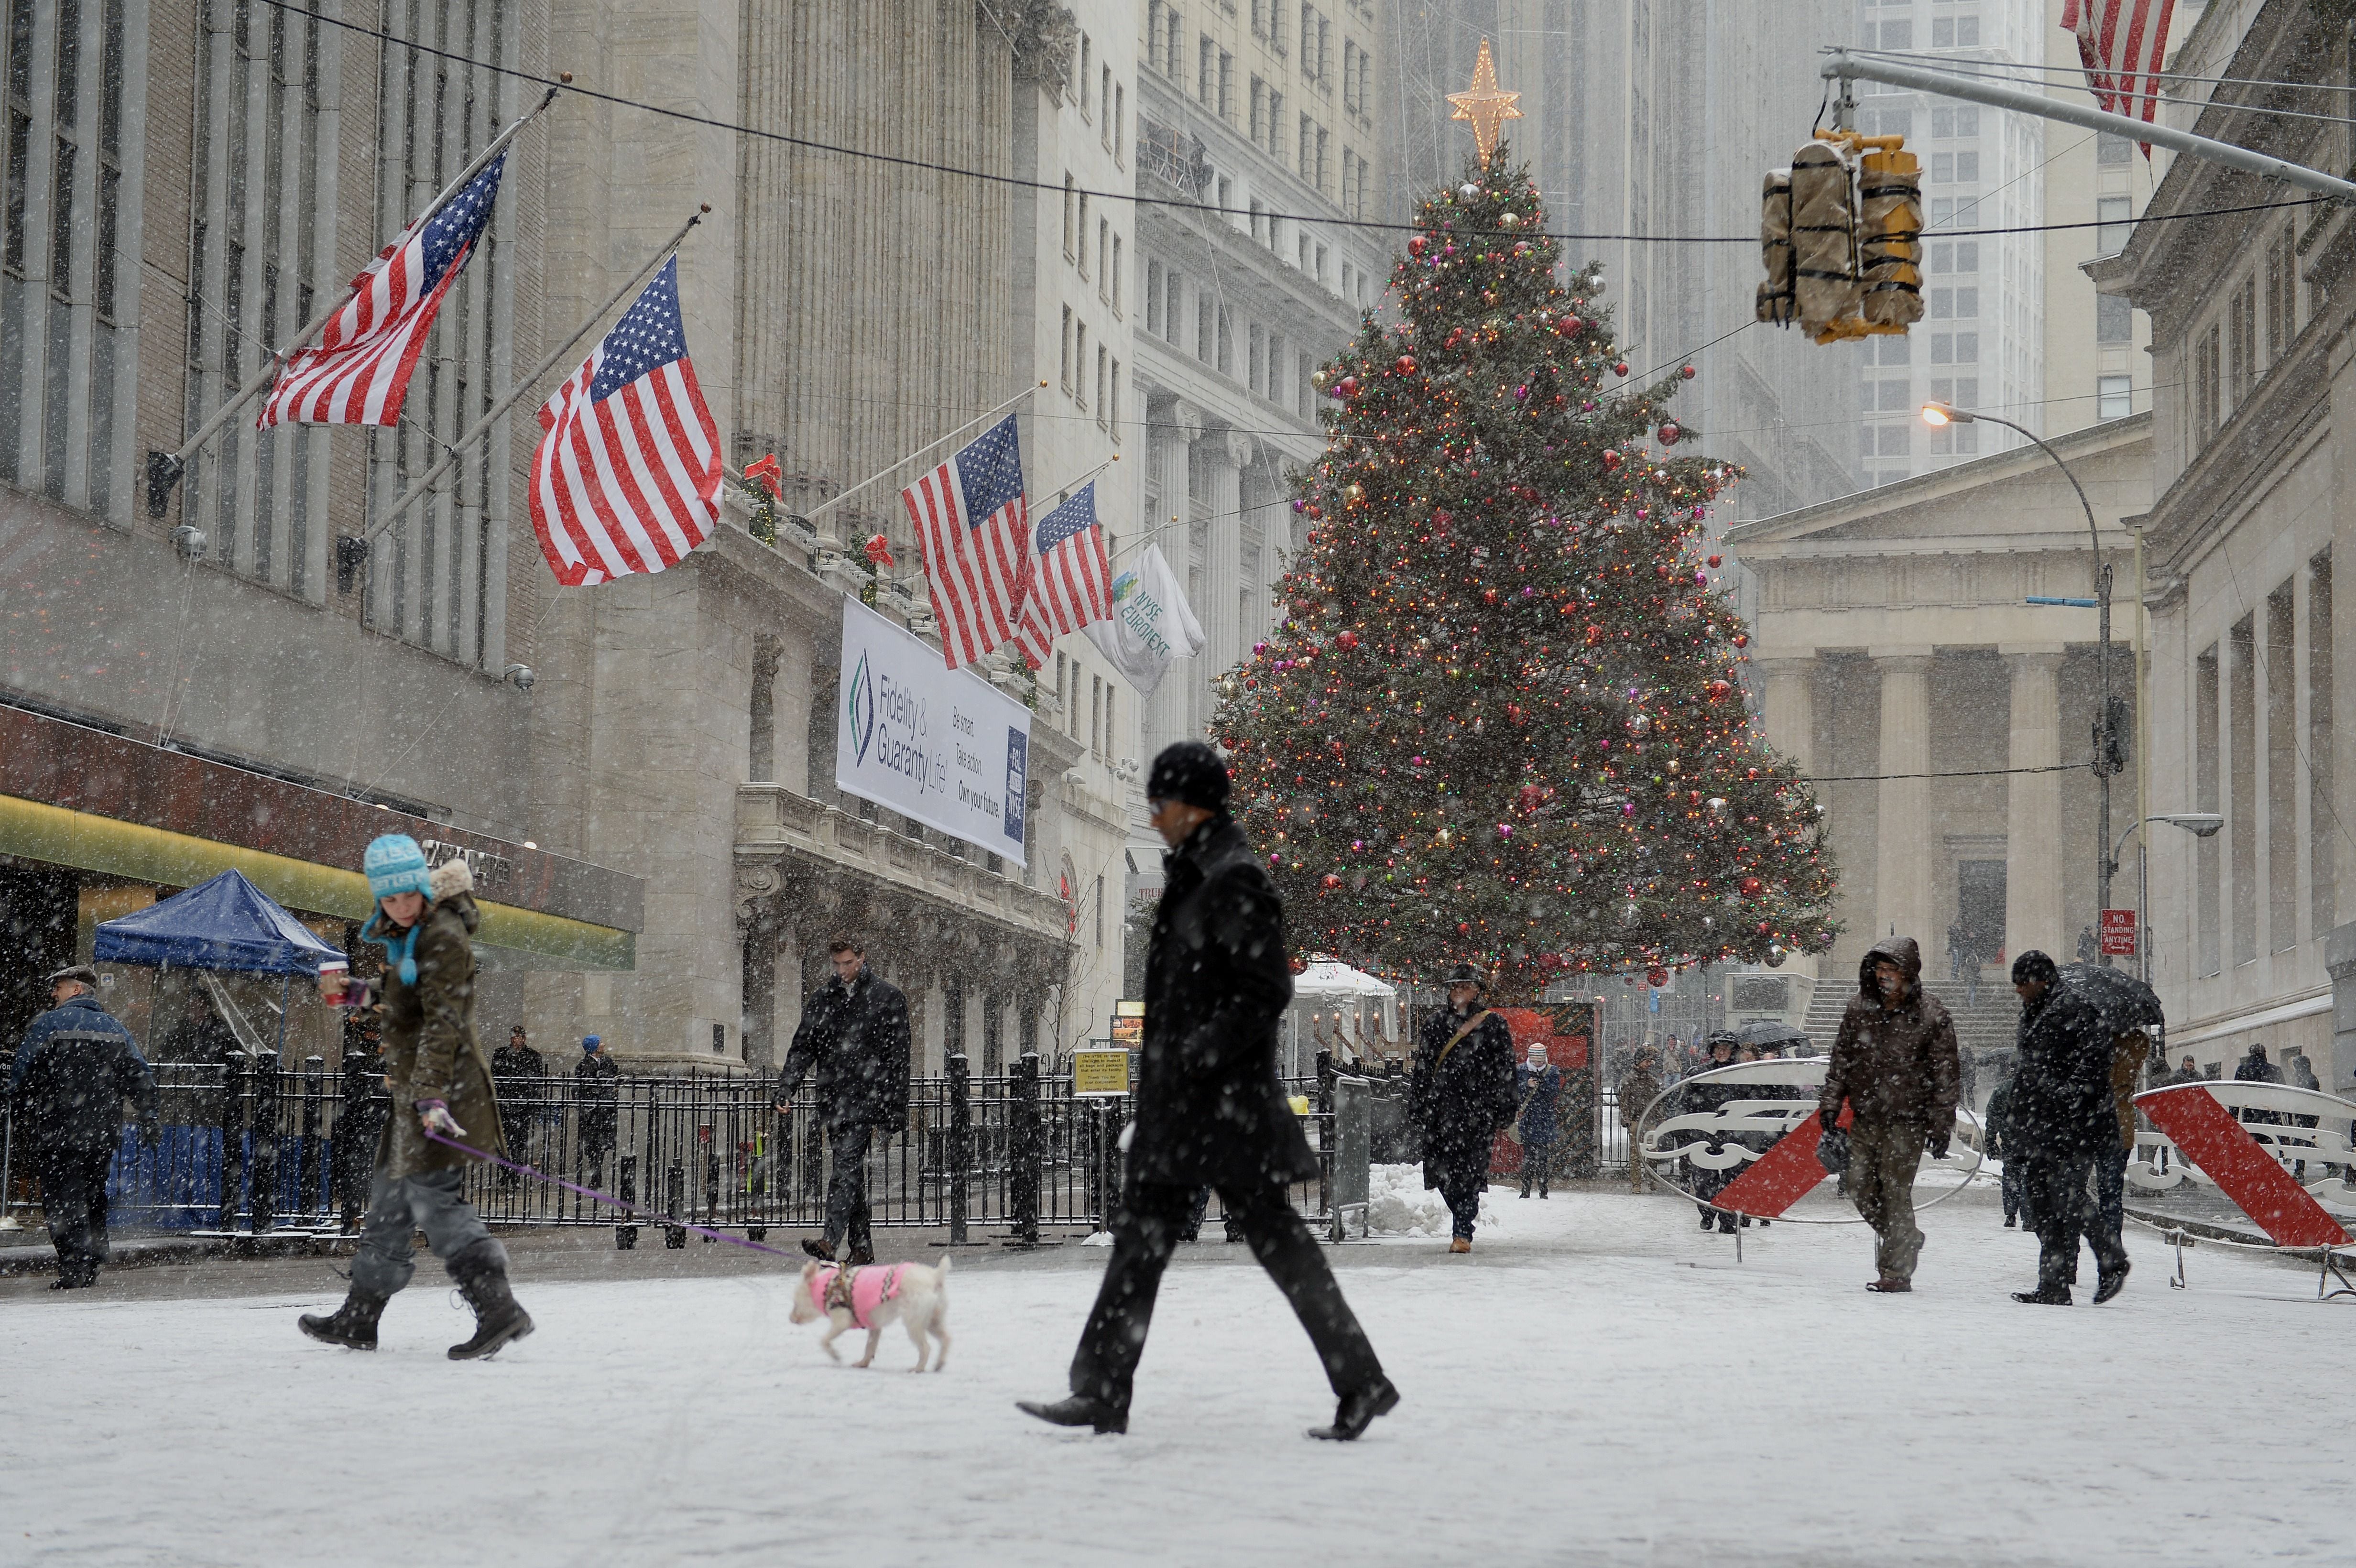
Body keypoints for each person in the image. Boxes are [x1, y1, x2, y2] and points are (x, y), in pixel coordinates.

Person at [1019, 742, 1396, 1442]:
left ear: (1193, 807)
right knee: (1142, 1244)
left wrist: (1198, 1053)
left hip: (1223, 1109)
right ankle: (1101, 1389)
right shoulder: (1198, 874)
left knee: (1274, 1243)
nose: (1154, 817)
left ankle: (1361, 1381)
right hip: (1187, 1106)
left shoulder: (1232, 877)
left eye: (1161, 804)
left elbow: (1266, 989)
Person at [301, 836, 534, 1356]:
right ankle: (360, 1316)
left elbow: (441, 1024)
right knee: (389, 1203)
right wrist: (356, 993)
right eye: (389, 899)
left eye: (408, 895)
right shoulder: (413, 937)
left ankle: (498, 1308)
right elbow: (405, 999)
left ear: (423, 889)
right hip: (417, 1096)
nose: (400, 906)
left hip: (444, 1093)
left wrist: (430, 1096)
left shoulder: (442, 937)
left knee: (435, 1201)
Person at [1820, 936, 1961, 1294]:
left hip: (1907, 1118)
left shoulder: (1932, 1015)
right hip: (1867, 1114)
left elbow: (1945, 1074)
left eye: (1891, 970)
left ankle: (1896, 1272)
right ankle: (1906, 1238)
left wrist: (1941, 1124)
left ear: (1908, 973)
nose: (1884, 976)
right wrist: (1831, 1104)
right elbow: (1841, 1059)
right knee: (1858, 1186)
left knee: (1896, 1192)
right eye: (1879, 969)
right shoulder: (1859, 1008)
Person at [8, 966, 156, 1289]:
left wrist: (20, 1114)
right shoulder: (114, 1028)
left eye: (59, 987)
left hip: (59, 1130)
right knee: (93, 1194)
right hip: (102, 1132)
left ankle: (75, 1265)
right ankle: (94, 1258)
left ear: (76, 990)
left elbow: (23, 1073)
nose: (53, 993)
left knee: (64, 1198)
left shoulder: (50, 1025)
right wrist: (149, 1115)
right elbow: (138, 1074)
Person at [774, 937, 911, 1266]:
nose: (842, 970)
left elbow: (899, 1059)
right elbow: (803, 1046)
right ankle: (862, 1248)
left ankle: (829, 1241)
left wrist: (896, 1107)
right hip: (833, 1100)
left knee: (845, 1169)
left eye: (848, 963)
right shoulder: (823, 998)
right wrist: (787, 1087)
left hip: (867, 1100)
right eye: (837, 964)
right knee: (850, 1174)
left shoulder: (887, 997)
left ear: (862, 958)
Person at [2006, 952, 2129, 1307]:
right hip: (2043, 1124)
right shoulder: (2035, 1012)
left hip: (2074, 1124)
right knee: (2042, 1202)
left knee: (2065, 1195)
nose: (2018, 990)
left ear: (2041, 980)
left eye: (2022, 983)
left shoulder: (2075, 1009)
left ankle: (2112, 1258)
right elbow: (2030, 1070)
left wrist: (2067, 1093)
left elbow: (2096, 1059)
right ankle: (2054, 1284)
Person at [1410, 964, 1517, 1250]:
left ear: (1477, 990)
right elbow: (1423, 1067)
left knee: (1472, 1172)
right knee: (1441, 1173)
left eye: (1465, 986)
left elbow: (1506, 1069)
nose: (1458, 991)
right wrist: (1418, 1102)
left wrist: (1506, 1106)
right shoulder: (1435, 1023)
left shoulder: (1493, 1025)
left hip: (1478, 1111)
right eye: (1454, 986)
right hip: (1441, 1110)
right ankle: (1462, 1219)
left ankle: (1462, 1231)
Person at [490, 1024, 546, 1186]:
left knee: (520, 1141)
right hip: (505, 1104)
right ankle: (507, 1170)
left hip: (523, 1105)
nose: (517, 1040)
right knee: (503, 1142)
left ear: (524, 1038)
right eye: (514, 1037)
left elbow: (538, 1080)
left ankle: (514, 1172)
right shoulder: (501, 1054)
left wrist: (534, 1100)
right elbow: (495, 1077)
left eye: (519, 1037)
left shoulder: (533, 1056)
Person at [1983, 1072, 2035, 1230]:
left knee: (2010, 1176)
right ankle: (2028, 1219)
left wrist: (1990, 1140)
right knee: (2028, 1177)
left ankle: (2010, 1215)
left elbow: (1992, 1116)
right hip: (2031, 1141)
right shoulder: (2036, 1088)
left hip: (2010, 1140)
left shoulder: (2002, 1089)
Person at [1515, 1043, 1562, 1199]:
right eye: (1535, 1061)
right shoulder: (1521, 1070)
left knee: (1543, 1158)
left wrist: (1542, 1083)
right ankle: (1525, 1191)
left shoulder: (1552, 1071)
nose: (1538, 1064)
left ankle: (1544, 1192)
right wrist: (1526, 1085)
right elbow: (1514, 1092)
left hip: (1544, 1119)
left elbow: (1554, 1092)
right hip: (1528, 1119)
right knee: (1528, 1158)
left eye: (1540, 1061)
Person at [1617, 1045, 1664, 1196]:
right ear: (1639, 1061)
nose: (1649, 1064)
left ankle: (1651, 1177)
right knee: (1636, 1154)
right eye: (1646, 1061)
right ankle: (1636, 1183)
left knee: (1653, 1152)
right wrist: (1627, 1120)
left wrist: (1659, 1118)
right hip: (1635, 1121)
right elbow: (1624, 1102)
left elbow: (1657, 1102)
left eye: (1650, 1061)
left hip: (1649, 1120)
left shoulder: (1652, 1081)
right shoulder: (1629, 1080)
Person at [575, 1034, 619, 1181]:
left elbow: (613, 1079)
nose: (603, 1045)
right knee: (593, 1144)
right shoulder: (584, 1066)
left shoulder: (607, 1062)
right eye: (600, 1043)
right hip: (592, 1113)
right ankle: (595, 1173)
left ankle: (597, 1170)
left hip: (606, 1111)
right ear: (593, 1047)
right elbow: (580, 1089)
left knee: (603, 1144)